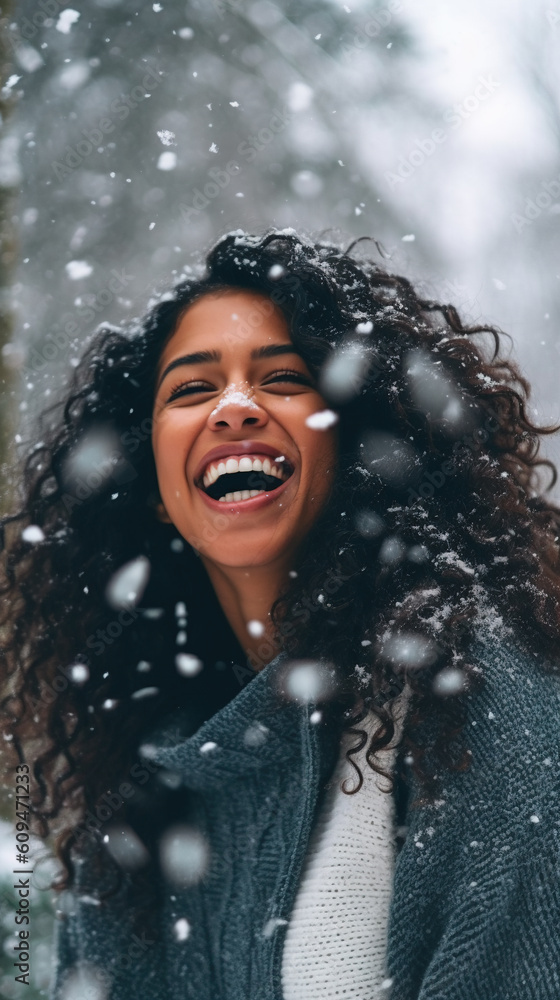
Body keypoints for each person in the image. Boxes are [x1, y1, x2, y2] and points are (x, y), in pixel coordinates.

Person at [2, 228, 560, 1000]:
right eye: (193, 389)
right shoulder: (143, 772)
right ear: (155, 489)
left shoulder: (482, 700)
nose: (234, 407)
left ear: (359, 445)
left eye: (284, 379)